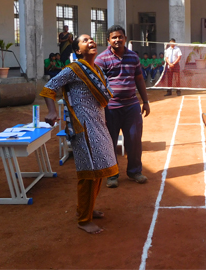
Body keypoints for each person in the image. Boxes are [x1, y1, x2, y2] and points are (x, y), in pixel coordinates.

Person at [40, 34, 118, 234]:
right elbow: (49, 88)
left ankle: (87, 208)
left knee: (99, 168)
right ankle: (84, 220)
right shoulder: (73, 70)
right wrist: (51, 111)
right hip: (83, 127)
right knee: (88, 173)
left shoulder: (98, 70)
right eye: (85, 40)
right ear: (77, 50)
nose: (90, 41)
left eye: (92, 39)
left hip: (99, 124)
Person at [95, 25, 150, 188]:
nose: (117, 40)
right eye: (114, 37)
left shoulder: (133, 57)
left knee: (134, 139)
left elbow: (139, 79)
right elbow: (97, 83)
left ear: (125, 38)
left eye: (120, 37)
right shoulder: (101, 59)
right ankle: (112, 175)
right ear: (108, 40)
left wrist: (145, 101)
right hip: (110, 108)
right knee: (110, 141)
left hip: (132, 105)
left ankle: (134, 172)